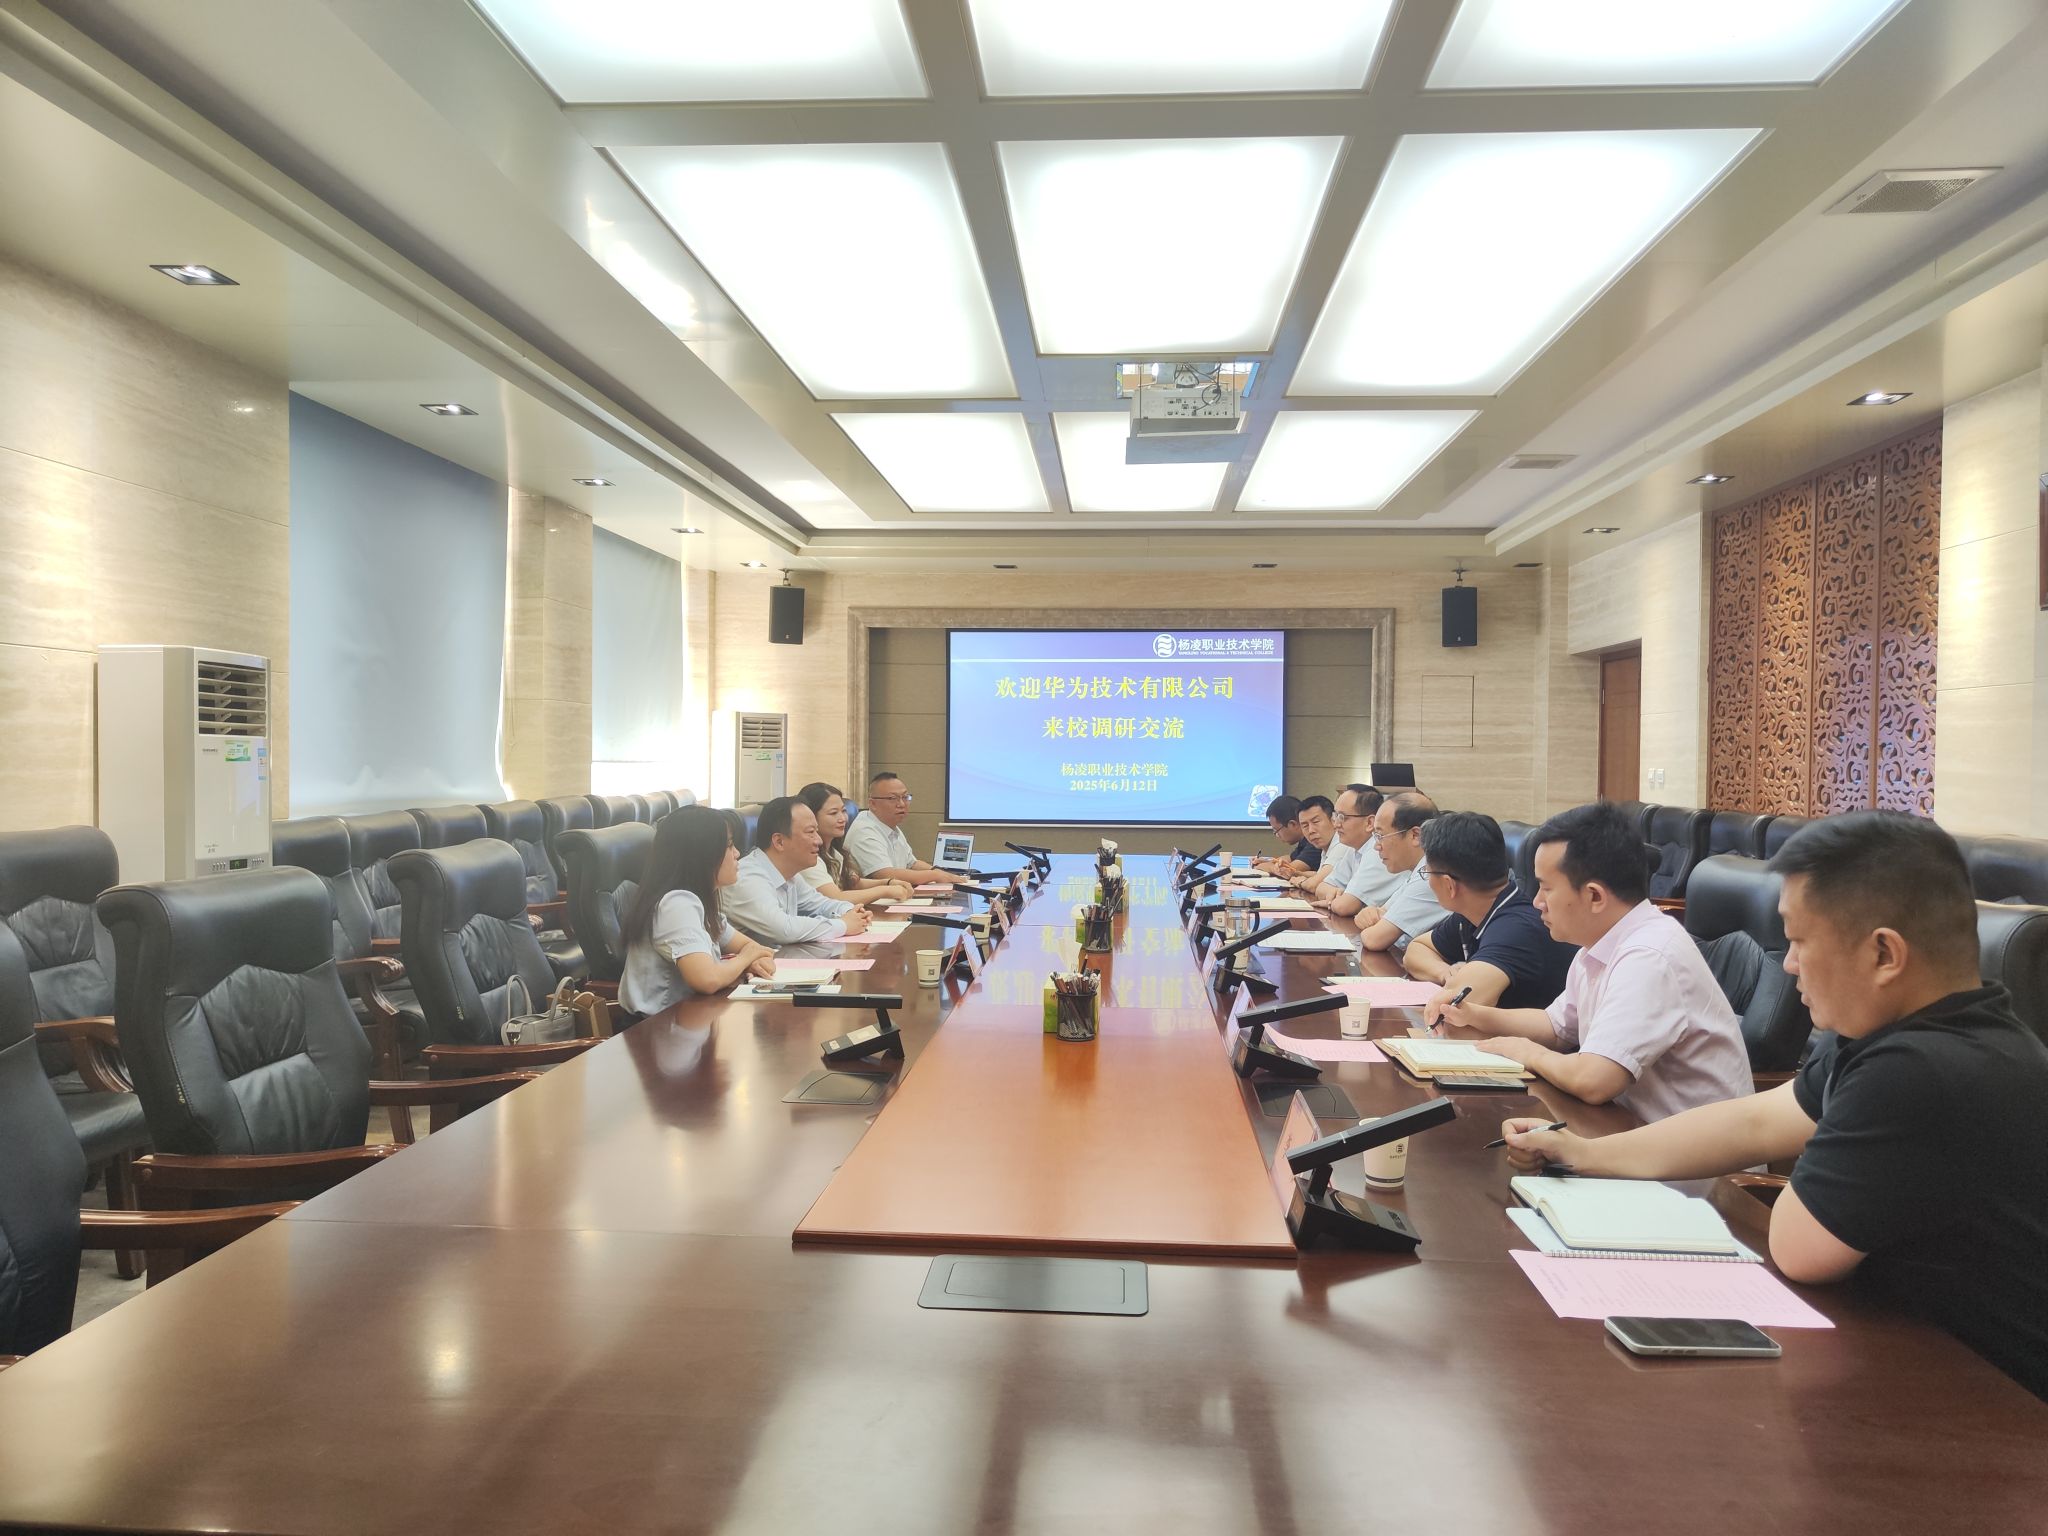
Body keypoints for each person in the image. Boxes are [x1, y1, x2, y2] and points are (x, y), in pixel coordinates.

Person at [1503, 812, 2048, 1402]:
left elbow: (1797, 1248)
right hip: (1909, 1349)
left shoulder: (1918, 1071)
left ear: (1884, 954)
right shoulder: (1920, 1030)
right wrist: (1585, 1154)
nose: (1787, 964)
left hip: (1991, 1396)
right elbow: (1756, 1119)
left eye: (1800, 940)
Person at [1446, 800, 1750, 1121]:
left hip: (1691, 1149)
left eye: (1546, 888)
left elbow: (1593, 1080)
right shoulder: (1599, 944)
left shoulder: (1648, 956)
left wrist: (1528, 1053)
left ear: (1594, 896)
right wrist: (1474, 1014)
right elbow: (1557, 1027)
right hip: (1631, 1128)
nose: (1537, 902)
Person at [1405, 812, 1576, 1009]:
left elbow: (1458, 1006)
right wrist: (1444, 972)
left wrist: (1460, 981)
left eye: (1427, 873)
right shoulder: (1472, 914)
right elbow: (1416, 949)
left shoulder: (1516, 930)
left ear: (1449, 885)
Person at [618, 805, 776, 1015]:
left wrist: (752, 959)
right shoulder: (677, 904)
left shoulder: (698, 902)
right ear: (703, 856)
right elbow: (707, 979)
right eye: (729, 846)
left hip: (687, 1020)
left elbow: (752, 947)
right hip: (654, 1028)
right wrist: (746, 959)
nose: (737, 853)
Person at [724, 796, 872, 946]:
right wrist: (844, 925)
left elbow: (821, 904)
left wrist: (851, 912)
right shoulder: (747, 878)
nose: (819, 841)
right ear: (779, 842)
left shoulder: (790, 874)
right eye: (810, 832)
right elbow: (784, 929)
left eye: (817, 831)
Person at [1352, 791, 1448, 954]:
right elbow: (1379, 913)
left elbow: (1375, 939)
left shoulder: (1431, 874)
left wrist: (1375, 921)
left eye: (1381, 835)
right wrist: (1370, 915)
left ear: (1416, 835)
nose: (1376, 846)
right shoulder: (1418, 869)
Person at [795, 781, 913, 907]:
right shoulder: (808, 857)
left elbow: (854, 883)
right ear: (811, 817)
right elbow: (836, 898)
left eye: (843, 811)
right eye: (833, 813)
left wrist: (888, 883)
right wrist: (885, 890)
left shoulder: (834, 852)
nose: (843, 819)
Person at [844, 772, 966, 887]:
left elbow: (912, 863)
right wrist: (934, 875)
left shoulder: (890, 826)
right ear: (873, 804)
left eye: (905, 797)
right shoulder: (864, 831)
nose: (902, 804)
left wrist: (940, 872)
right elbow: (885, 874)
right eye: (893, 798)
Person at [1298, 784, 1375, 896]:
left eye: (1343, 817)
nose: (1337, 824)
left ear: (1369, 822)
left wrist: (1301, 882)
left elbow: (1315, 885)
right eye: (1337, 816)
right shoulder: (1352, 849)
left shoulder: (1375, 851)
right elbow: (1322, 887)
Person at [1251, 795, 1316, 875]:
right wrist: (1267, 861)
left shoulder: (1314, 841)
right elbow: (1290, 858)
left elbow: (1287, 871)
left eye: (1276, 830)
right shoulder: (1304, 841)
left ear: (1292, 824)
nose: (1277, 835)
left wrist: (1263, 866)